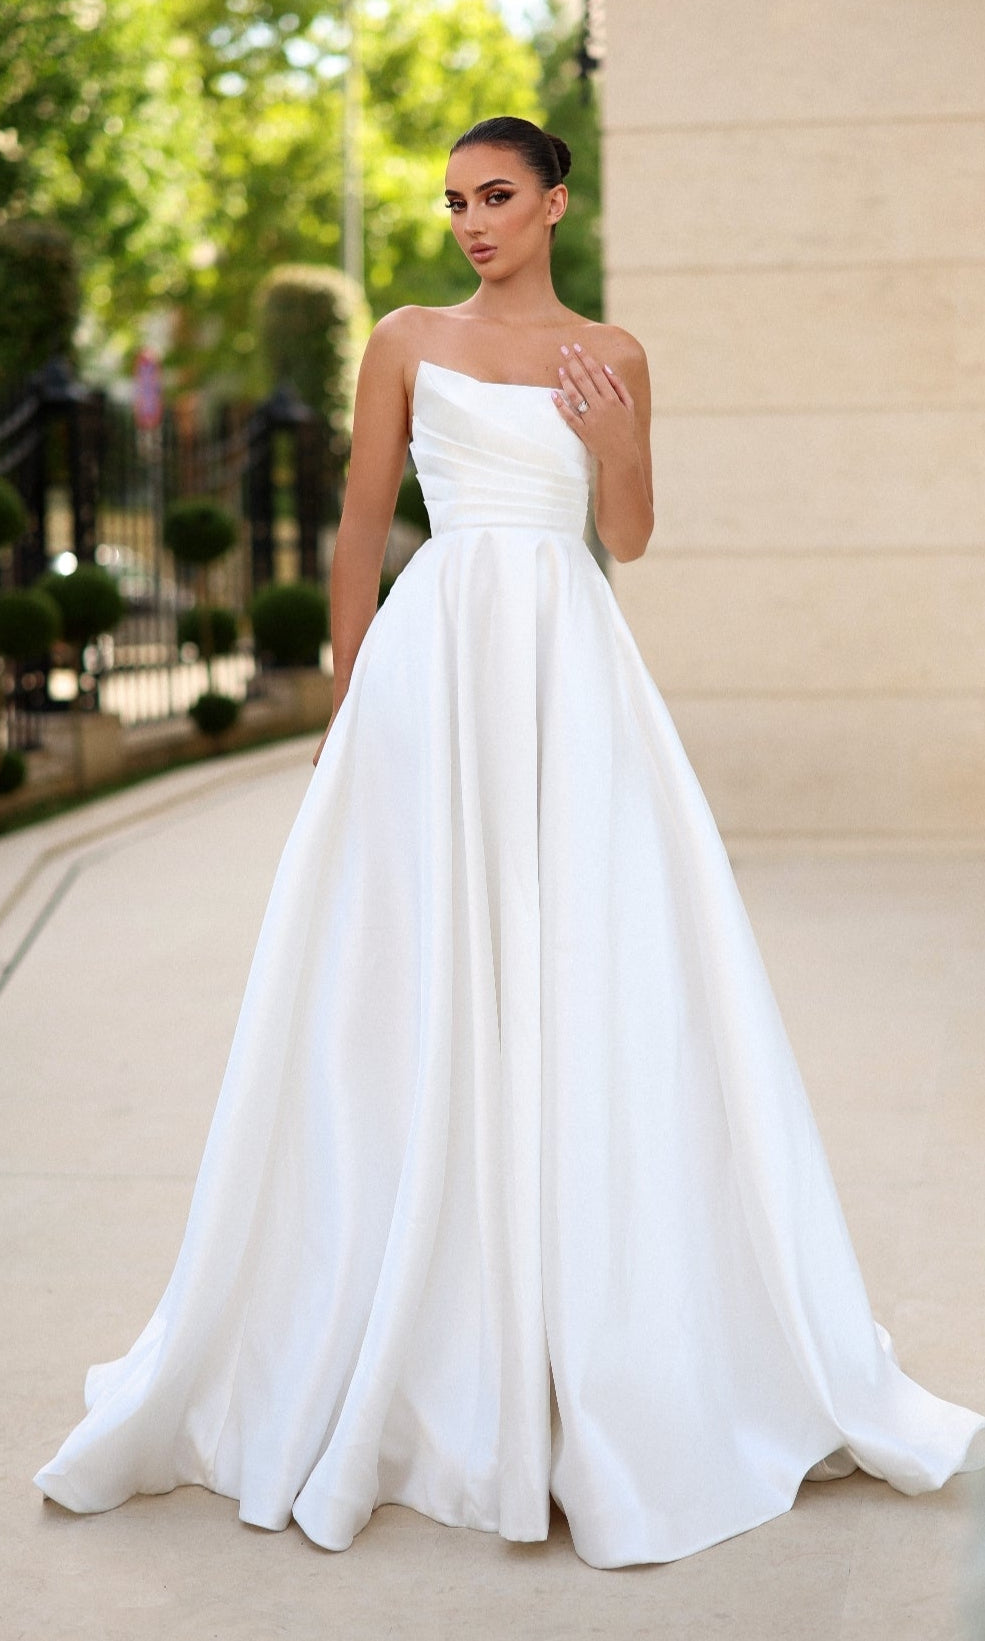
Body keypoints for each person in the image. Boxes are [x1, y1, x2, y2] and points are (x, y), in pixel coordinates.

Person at [35, 116, 984, 1572]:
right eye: (453, 201)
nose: (471, 221)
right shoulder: (406, 338)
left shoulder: (613, 352)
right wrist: (349, 705)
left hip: (568, 676)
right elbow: (358, 528)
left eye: (496, 197)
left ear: (553, 201)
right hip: (431, 675)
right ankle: (410, 1328)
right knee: (405, 978)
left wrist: (610, 444)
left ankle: (588, 1344)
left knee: (586, 965)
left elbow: (632, 535)